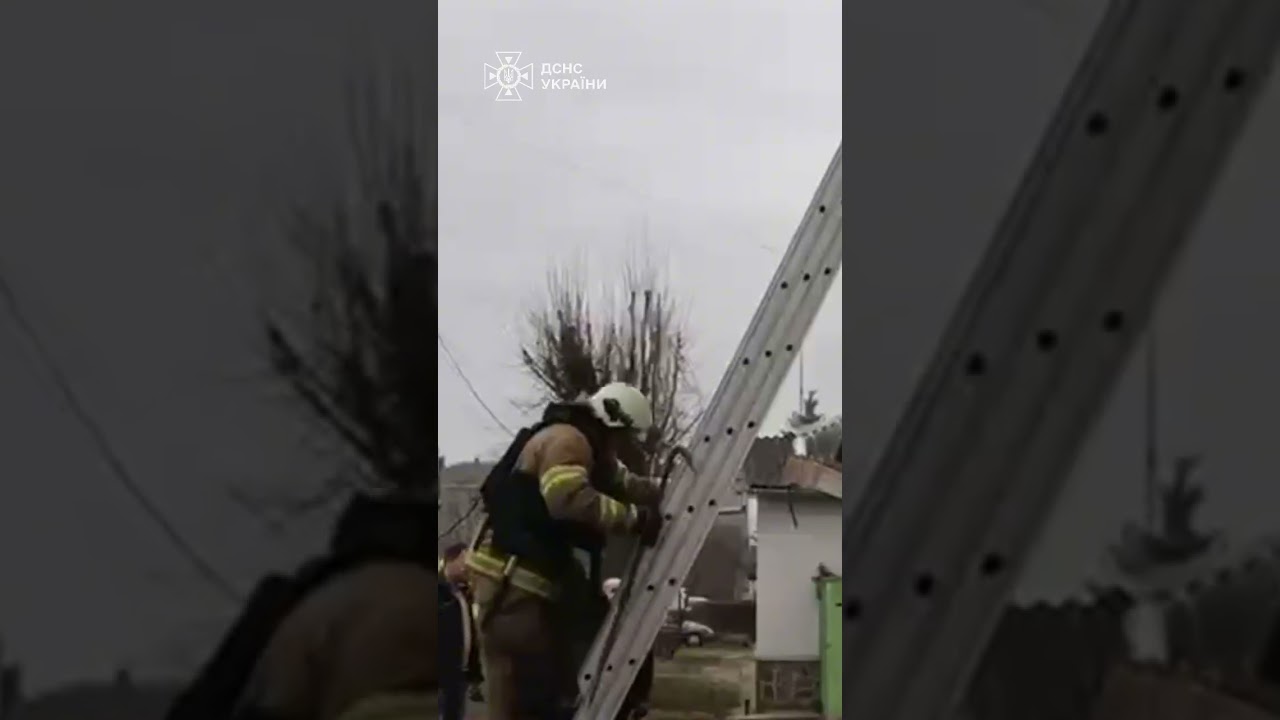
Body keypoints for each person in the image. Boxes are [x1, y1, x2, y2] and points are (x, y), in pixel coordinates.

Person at [467, 382, 666, 719]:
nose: (621, 444)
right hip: (514, 590)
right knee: (534, 697)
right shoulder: (567, 440)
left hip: (522, 585)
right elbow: (566, 498)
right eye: (623, 436)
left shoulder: (587, 447)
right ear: (611, 422)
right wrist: (635, 519)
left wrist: (665, 490)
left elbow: (625, 483)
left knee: (537, 688)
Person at [439, 543, 483, 714]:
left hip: (459, 674)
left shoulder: (463, 593)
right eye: (464, 561)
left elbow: (469, 632)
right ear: (451, 561)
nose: (468, 567)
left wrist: (474, 672)